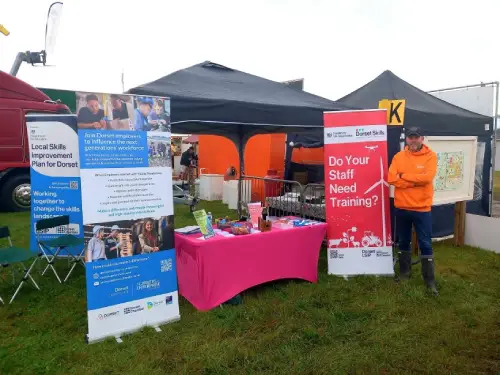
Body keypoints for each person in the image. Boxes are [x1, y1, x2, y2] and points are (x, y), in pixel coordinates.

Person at [388, 126, 438, 295]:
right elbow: (391, 178)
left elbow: (427, 178)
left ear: (422, 138)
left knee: (425, 243)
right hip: (402, 207)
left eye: (416, 137)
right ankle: (404, 274)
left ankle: (430, 281)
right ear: (406, 139)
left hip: (422, 209)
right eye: (410, 137)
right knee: (403, 241)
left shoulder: (431, 156)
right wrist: (415, 181)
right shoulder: (398, 157)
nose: (413, 140)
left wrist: (403, 177)